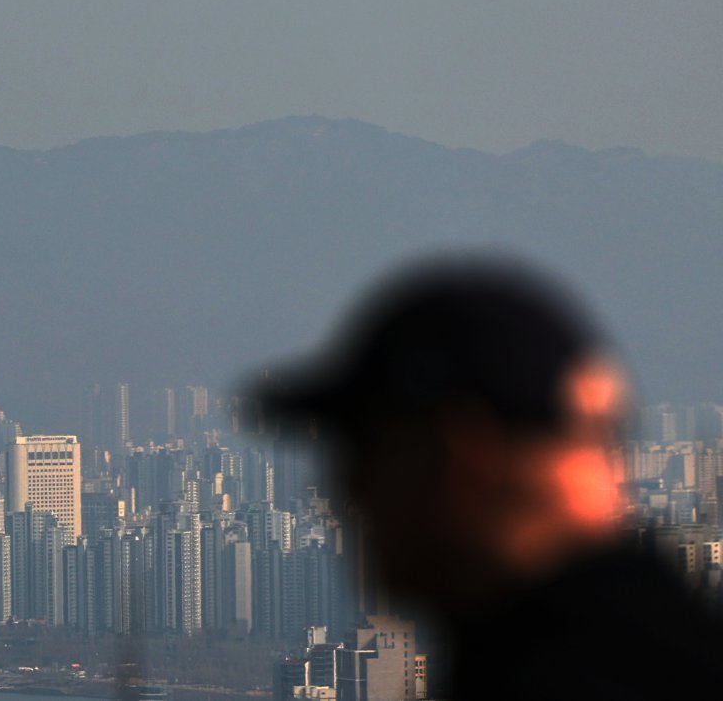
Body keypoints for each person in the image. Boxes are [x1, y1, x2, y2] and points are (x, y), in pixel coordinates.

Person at [244, 253, 723, 700]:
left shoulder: (552, 678)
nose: (340, 494)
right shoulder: (660, 642)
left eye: (362, 456)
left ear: (463, 455)